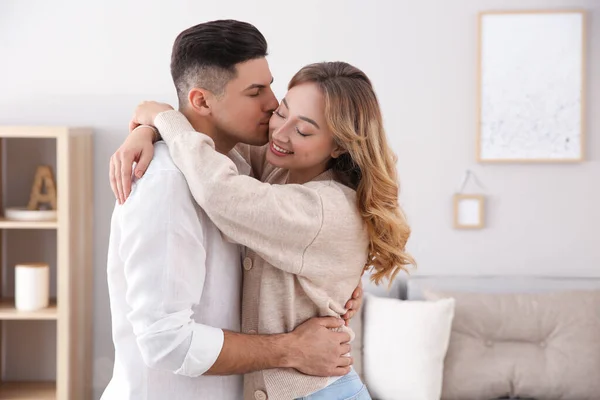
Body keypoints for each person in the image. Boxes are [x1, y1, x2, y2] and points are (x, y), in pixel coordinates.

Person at [112, 60, 414, 399]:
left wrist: (163, 119)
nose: (280, 134)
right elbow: (208, 139)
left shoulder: (325, 209)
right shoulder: (282, 165)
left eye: (303, 130)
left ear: (339, 146)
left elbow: (219, 191)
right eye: (282, 113)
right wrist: (147, 128)